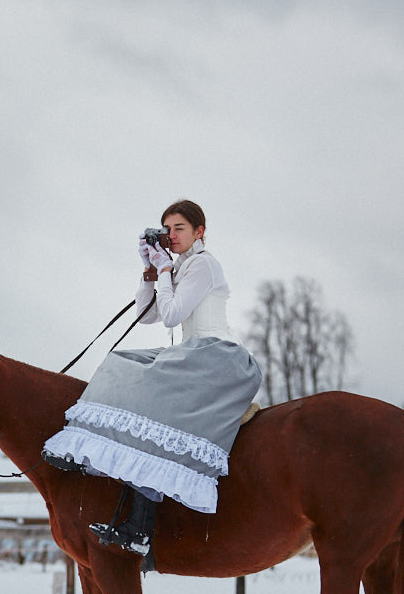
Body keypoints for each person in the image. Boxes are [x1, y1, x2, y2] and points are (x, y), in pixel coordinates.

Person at [42, 200, 262, 566]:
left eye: (179, 228)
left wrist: (163, 270)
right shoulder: (181, 267)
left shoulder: (204, 265)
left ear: (199, 232)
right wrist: (149, 271)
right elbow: (148, 315)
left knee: (144, 385)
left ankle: (137, 519)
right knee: (119, 363)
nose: (171, 235)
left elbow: (173, 315)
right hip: (193, 355)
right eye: (166, 229)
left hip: (217, 356)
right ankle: (136, 522)